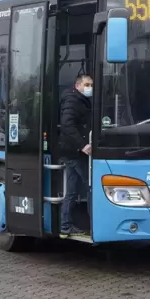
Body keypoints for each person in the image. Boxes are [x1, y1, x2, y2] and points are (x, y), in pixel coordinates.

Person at [59, 74, 93, 237]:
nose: (89, 88)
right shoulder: (73, 100)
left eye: (91, 85)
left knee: (72, 191)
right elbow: (67, 124)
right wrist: (82, 145)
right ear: (78, 85)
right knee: (90, 186)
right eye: (87, 84)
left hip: (72, 152)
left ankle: (65, 226)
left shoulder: (79, 99)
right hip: (74, 152)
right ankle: (95, 223)